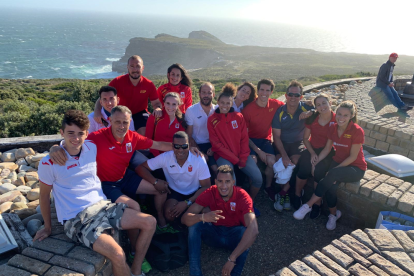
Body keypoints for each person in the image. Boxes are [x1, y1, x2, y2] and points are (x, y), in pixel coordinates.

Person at [49, 106, 186, 272]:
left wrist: (183, 147)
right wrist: (56, 146)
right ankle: (134, 252)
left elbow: (158, 144)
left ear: (130, 122)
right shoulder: (98, 137)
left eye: (125, 122)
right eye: (118, 122)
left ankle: (162, 225)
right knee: (134, 206)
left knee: (160, 189)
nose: (122, 126)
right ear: (110, 121)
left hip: (125, 177)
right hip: (106, 183)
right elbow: (76, 140)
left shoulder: (132, 137)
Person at [34, 110, 154, 276]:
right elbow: (44, 196)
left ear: (86, 134)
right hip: (78, 218)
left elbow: (116, 137)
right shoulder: (50, 162)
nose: (76, 139)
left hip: (102, 206)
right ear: (61, 133)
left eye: (80, 134)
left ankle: (136, 269)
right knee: (118, 254)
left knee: (150, 222)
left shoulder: (91, 147)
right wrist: (48, 227)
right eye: (70, 133)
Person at [294, 101, 367, 230]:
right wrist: (315, 162)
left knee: (330, 176)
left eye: (345, 115)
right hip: (337, 161)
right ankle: (334, 215)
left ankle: (307, 205)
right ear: (336, 113)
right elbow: (327, 149)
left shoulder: (357, 131)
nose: (341, 118)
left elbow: (353, 157)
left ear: (351, 116)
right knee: (331, 187)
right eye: (339, 114)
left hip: (355, 167)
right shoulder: (333, 127)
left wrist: (334, 170)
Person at [182, 165, 259, 276]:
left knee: (246, 232)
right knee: (194, 225)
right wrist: (202, 217)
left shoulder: (242, 195)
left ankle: (234, 272)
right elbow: (185, 219)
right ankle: (195, 272)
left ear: (233, 182)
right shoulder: (210, 192)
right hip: (214, 233)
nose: (223, 186)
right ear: (215, 182)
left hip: (234, 235)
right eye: (220, 181)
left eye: (227, 181)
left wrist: (231, 259)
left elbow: (254, 230)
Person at [207, 83, 263, 215]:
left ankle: (249, 202)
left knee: (258, 178)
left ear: (232, 103)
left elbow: (244, 139)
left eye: (228, 103)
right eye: (222, 103)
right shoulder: (212, 120)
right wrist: (235, 160)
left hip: (240, 155)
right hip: (223, 156)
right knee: (232, 182)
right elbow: (216, 145)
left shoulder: (239, 117)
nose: (225, 106)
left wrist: (243, 158)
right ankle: (232, 208)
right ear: (218, 103)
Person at [137, 131, 211, 223]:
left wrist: (187, 202)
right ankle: (185, 219)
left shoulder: (198, 158)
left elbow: (206, 187)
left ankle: (187, 218)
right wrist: (155, 181)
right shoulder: (165, 157)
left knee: (206, 211)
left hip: (195, 192)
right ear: (172, 146)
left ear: (189, 145)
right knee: (169, 214)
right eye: (177, 146)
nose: (180, 150)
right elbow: (140, 168)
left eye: (184, 146)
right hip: (176, 192)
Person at [272, 80, 314, 212]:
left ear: (301, 97)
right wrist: (284, 156)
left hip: (297, 143)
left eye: (297, 95)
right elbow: (276, 137)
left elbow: (322, 109)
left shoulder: (305, 108)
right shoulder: (279, 112)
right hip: (282, 143)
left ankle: (283, 194)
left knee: (294, 163)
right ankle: (287, 194)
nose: (293, 97)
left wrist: (311, 112)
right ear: (286, 95)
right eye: (291, 94)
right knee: (282, 163)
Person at [93, 55, 162, 135]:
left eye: (138, 66)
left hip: (139, 114)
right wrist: (97, 111)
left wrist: (158, 109)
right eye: (132, 66)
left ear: (142, 68)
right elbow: (103, 97)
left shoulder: (149, 84)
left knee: (143, 134)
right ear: (127, 67)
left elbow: (156, 103)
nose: (135, 69)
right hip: (121, 112)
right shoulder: (117, 81)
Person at [292, 93, 336, 218]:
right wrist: (311, 154)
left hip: (327, 151)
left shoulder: (336, 120)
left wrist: (315, 163)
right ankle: (297, 194)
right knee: (304, 167)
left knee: (319, 171)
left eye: (324, 103)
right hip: (312, 148)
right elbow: (306, 138)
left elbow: (328, 147)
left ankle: (317, 203)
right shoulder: (312, 118)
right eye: (318, 105)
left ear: (330, 103)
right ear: (315, 107)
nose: (322, 106)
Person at [242, 79, 284, 201]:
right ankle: (251, 189)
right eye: (262, 90)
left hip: (265, 140)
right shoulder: (248, 110)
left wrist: (307, 104)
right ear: (258, 91)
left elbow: (292, 105)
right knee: (253, 161)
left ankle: (268, 187)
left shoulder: (275, 104)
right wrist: (258, 151)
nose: (264, 93)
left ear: (271, 92)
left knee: (271, 162)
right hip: (250, 141)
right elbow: (244, 135)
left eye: (267, 90)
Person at [185, 82, 218, 176]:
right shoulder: (191, 110)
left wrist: (214, 147)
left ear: (213, 94)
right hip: (198, 144)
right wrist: (200, 152)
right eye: (203, 92)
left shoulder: (218, 110)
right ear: (199, 94)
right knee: (210, 168)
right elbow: (189, 136)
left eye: (209, 93)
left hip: (215, 144)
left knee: (218, 169)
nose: (206, 95)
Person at [145, 92, 186, 157]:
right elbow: (148, 140)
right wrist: (157, 156)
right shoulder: (155, 117)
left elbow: (180, 143)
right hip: (154, 154)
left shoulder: (181, 120)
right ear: (163, 103)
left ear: (178, 105)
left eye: (174, 104)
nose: (170, 107)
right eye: (168, 103)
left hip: (173, 155)